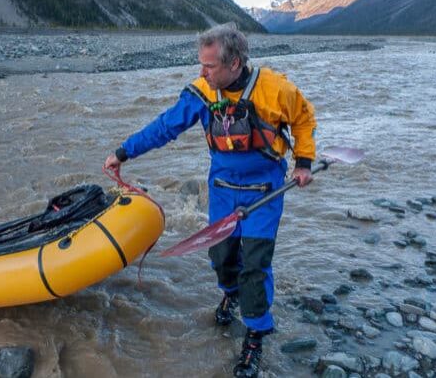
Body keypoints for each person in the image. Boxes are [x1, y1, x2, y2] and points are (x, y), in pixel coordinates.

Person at [104, 23, 316, 378]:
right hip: (221, 188)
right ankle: (230, 294)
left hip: (265, 190)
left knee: (255, 263)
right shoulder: (202, 93)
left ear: (234, 64)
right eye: (201, 65)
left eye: (209, 66)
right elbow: (165, 126)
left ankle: (256, 331)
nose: (201, 72)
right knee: (222, 258)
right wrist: (123, 152)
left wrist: (304, 162)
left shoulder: (277, 89)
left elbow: (303, 119)